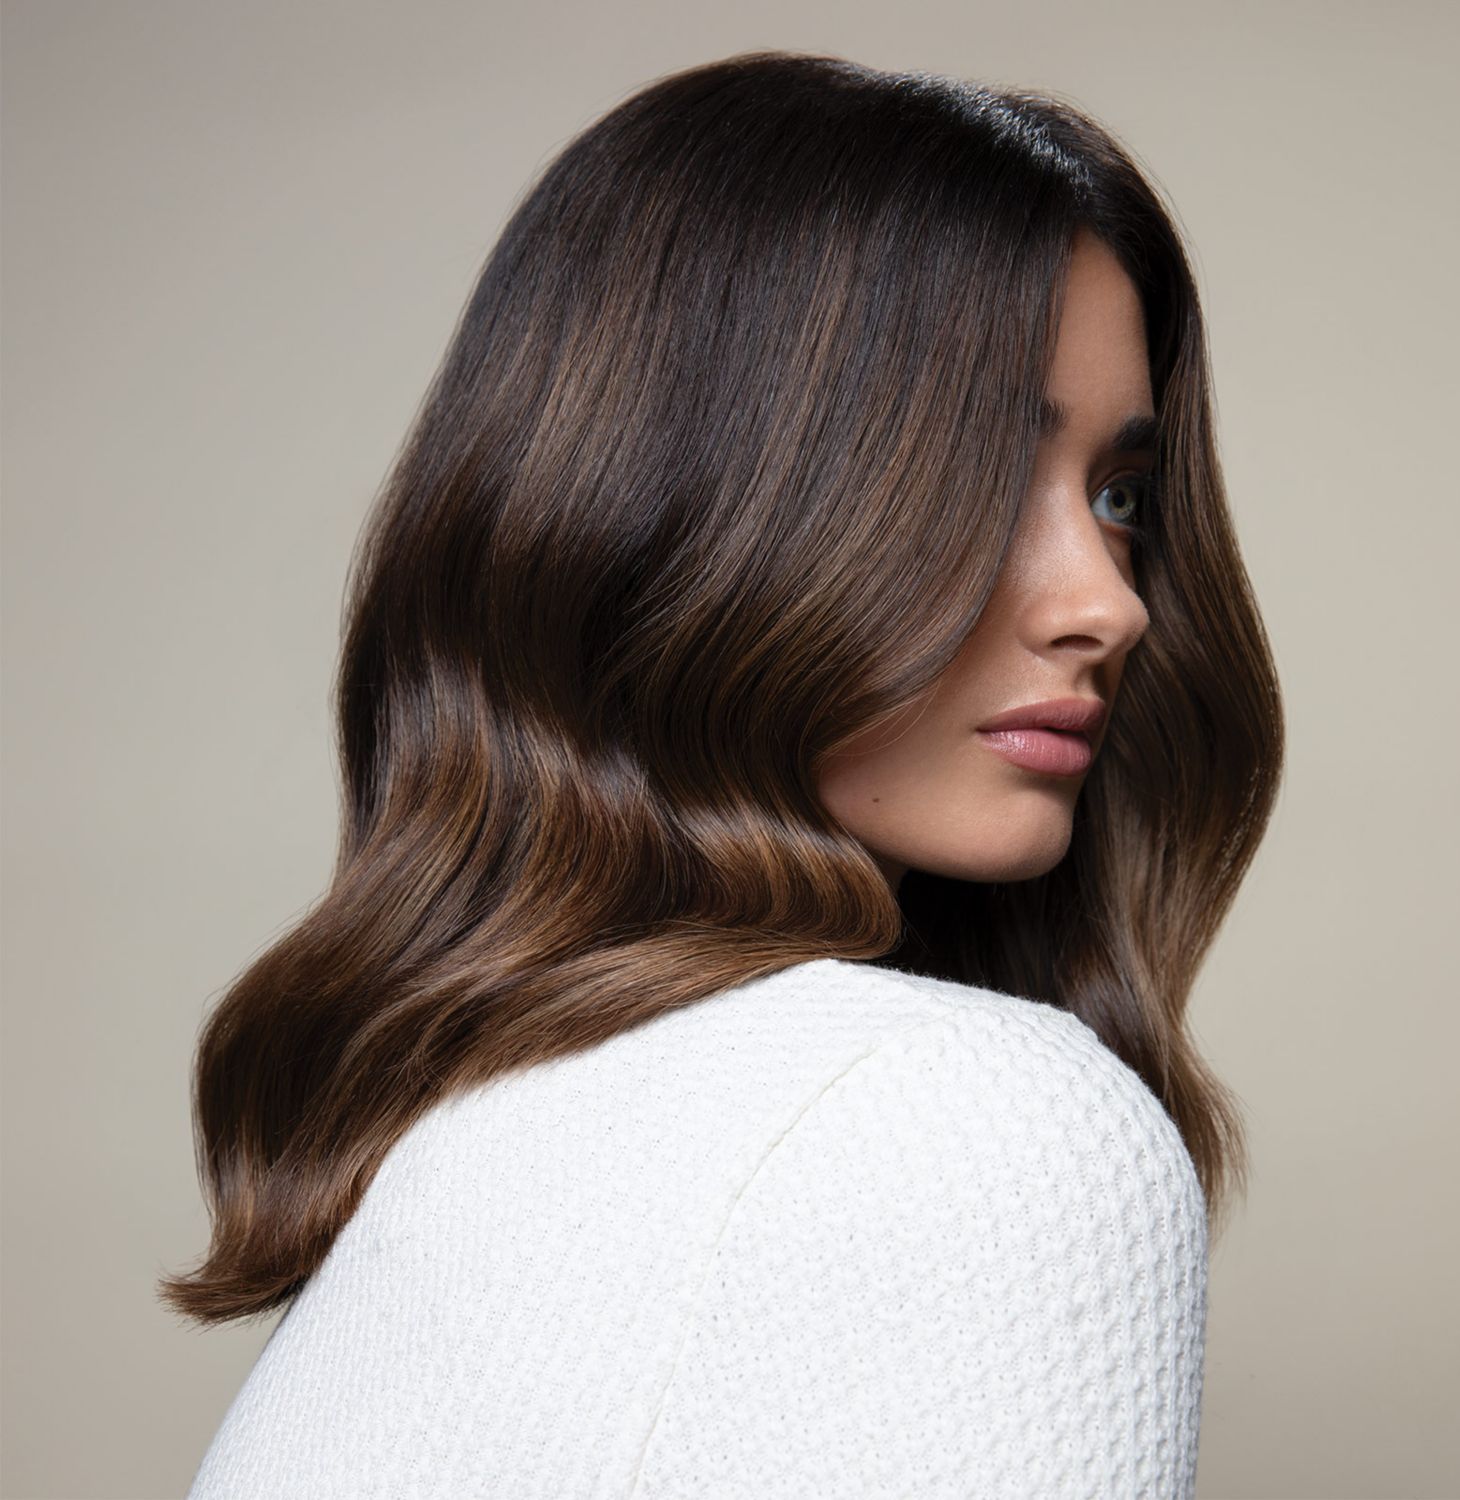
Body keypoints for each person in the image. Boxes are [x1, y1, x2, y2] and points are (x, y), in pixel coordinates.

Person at [165, 49, 1284, 1498]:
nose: (1111, 605)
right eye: (981, 481)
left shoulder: (472, 1142)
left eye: (1117, 498)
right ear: (691, 525)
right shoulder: (967, 1128)